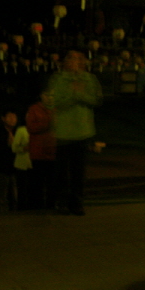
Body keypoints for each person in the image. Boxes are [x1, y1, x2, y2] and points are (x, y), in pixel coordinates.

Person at [49, 49, 102, 215]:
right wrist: (74, 95)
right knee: (61, 171)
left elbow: (97, 100)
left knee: (79, 171)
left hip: (82, 131)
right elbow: (54, 102)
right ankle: (61, 202)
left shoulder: (90, 78)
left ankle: (77, 203)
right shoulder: (57, 79)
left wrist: (80, 95)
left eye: (79, 58)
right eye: (70, 58)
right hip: (63, 132)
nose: (75, 61)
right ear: (64, 62)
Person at [25, 88, 56, 209]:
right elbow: (30, 127)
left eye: (52, 95)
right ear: (41, 95)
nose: (50, 97)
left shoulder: (57, 109)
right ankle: (36, 206)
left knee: (52, 183)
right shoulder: (33, 109)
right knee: (37, 182)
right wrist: (48, 123)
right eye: (47, 94)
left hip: (53, 153)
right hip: (38, 154)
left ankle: (51, 205)